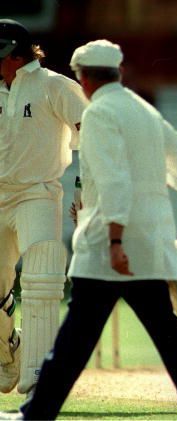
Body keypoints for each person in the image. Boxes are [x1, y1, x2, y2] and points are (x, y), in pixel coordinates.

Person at [17, 39, 177, 420]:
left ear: (85, 78)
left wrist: (114, 241)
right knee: (168, 335)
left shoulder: (98, 113)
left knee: (74, 341)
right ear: (118, 72)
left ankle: (36, 414)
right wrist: (151, 190)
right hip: (149, 242)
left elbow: (113, 183)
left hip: (107, 247)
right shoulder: (143, 109)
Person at [0, 19, 88, 397]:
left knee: (41, 275)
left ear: (16, 55)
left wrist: (88, 189)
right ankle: (10, 355)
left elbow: (94, 134)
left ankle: (40, 371)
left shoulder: (53, 86)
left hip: (37, 192)